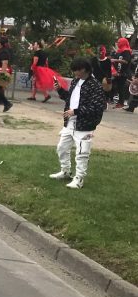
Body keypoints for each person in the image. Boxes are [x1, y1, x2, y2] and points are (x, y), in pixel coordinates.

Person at [50, 57, 105, 189]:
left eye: (76, 71)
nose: (75, 73)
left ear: (84, 69)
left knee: (82, 152)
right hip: (70, 122)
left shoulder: (95, 85)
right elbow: (69, 98)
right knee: (62, 148)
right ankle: (65, 171)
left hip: (85, 125)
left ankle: (79, 179)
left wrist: (76, 111)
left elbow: (97, 107)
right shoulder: (76, 81)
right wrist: (59, 90)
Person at [110, 37, 134, 109]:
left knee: (121, 87)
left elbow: (126, 61)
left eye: (119, 42)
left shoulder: (126, 51)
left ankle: (121, 103)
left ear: (123, 43)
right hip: (118, 72)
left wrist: (115, 60)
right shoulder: (120, 51)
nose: (118, 43)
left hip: (123, 73)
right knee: (115, 86)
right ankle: (114, 100)